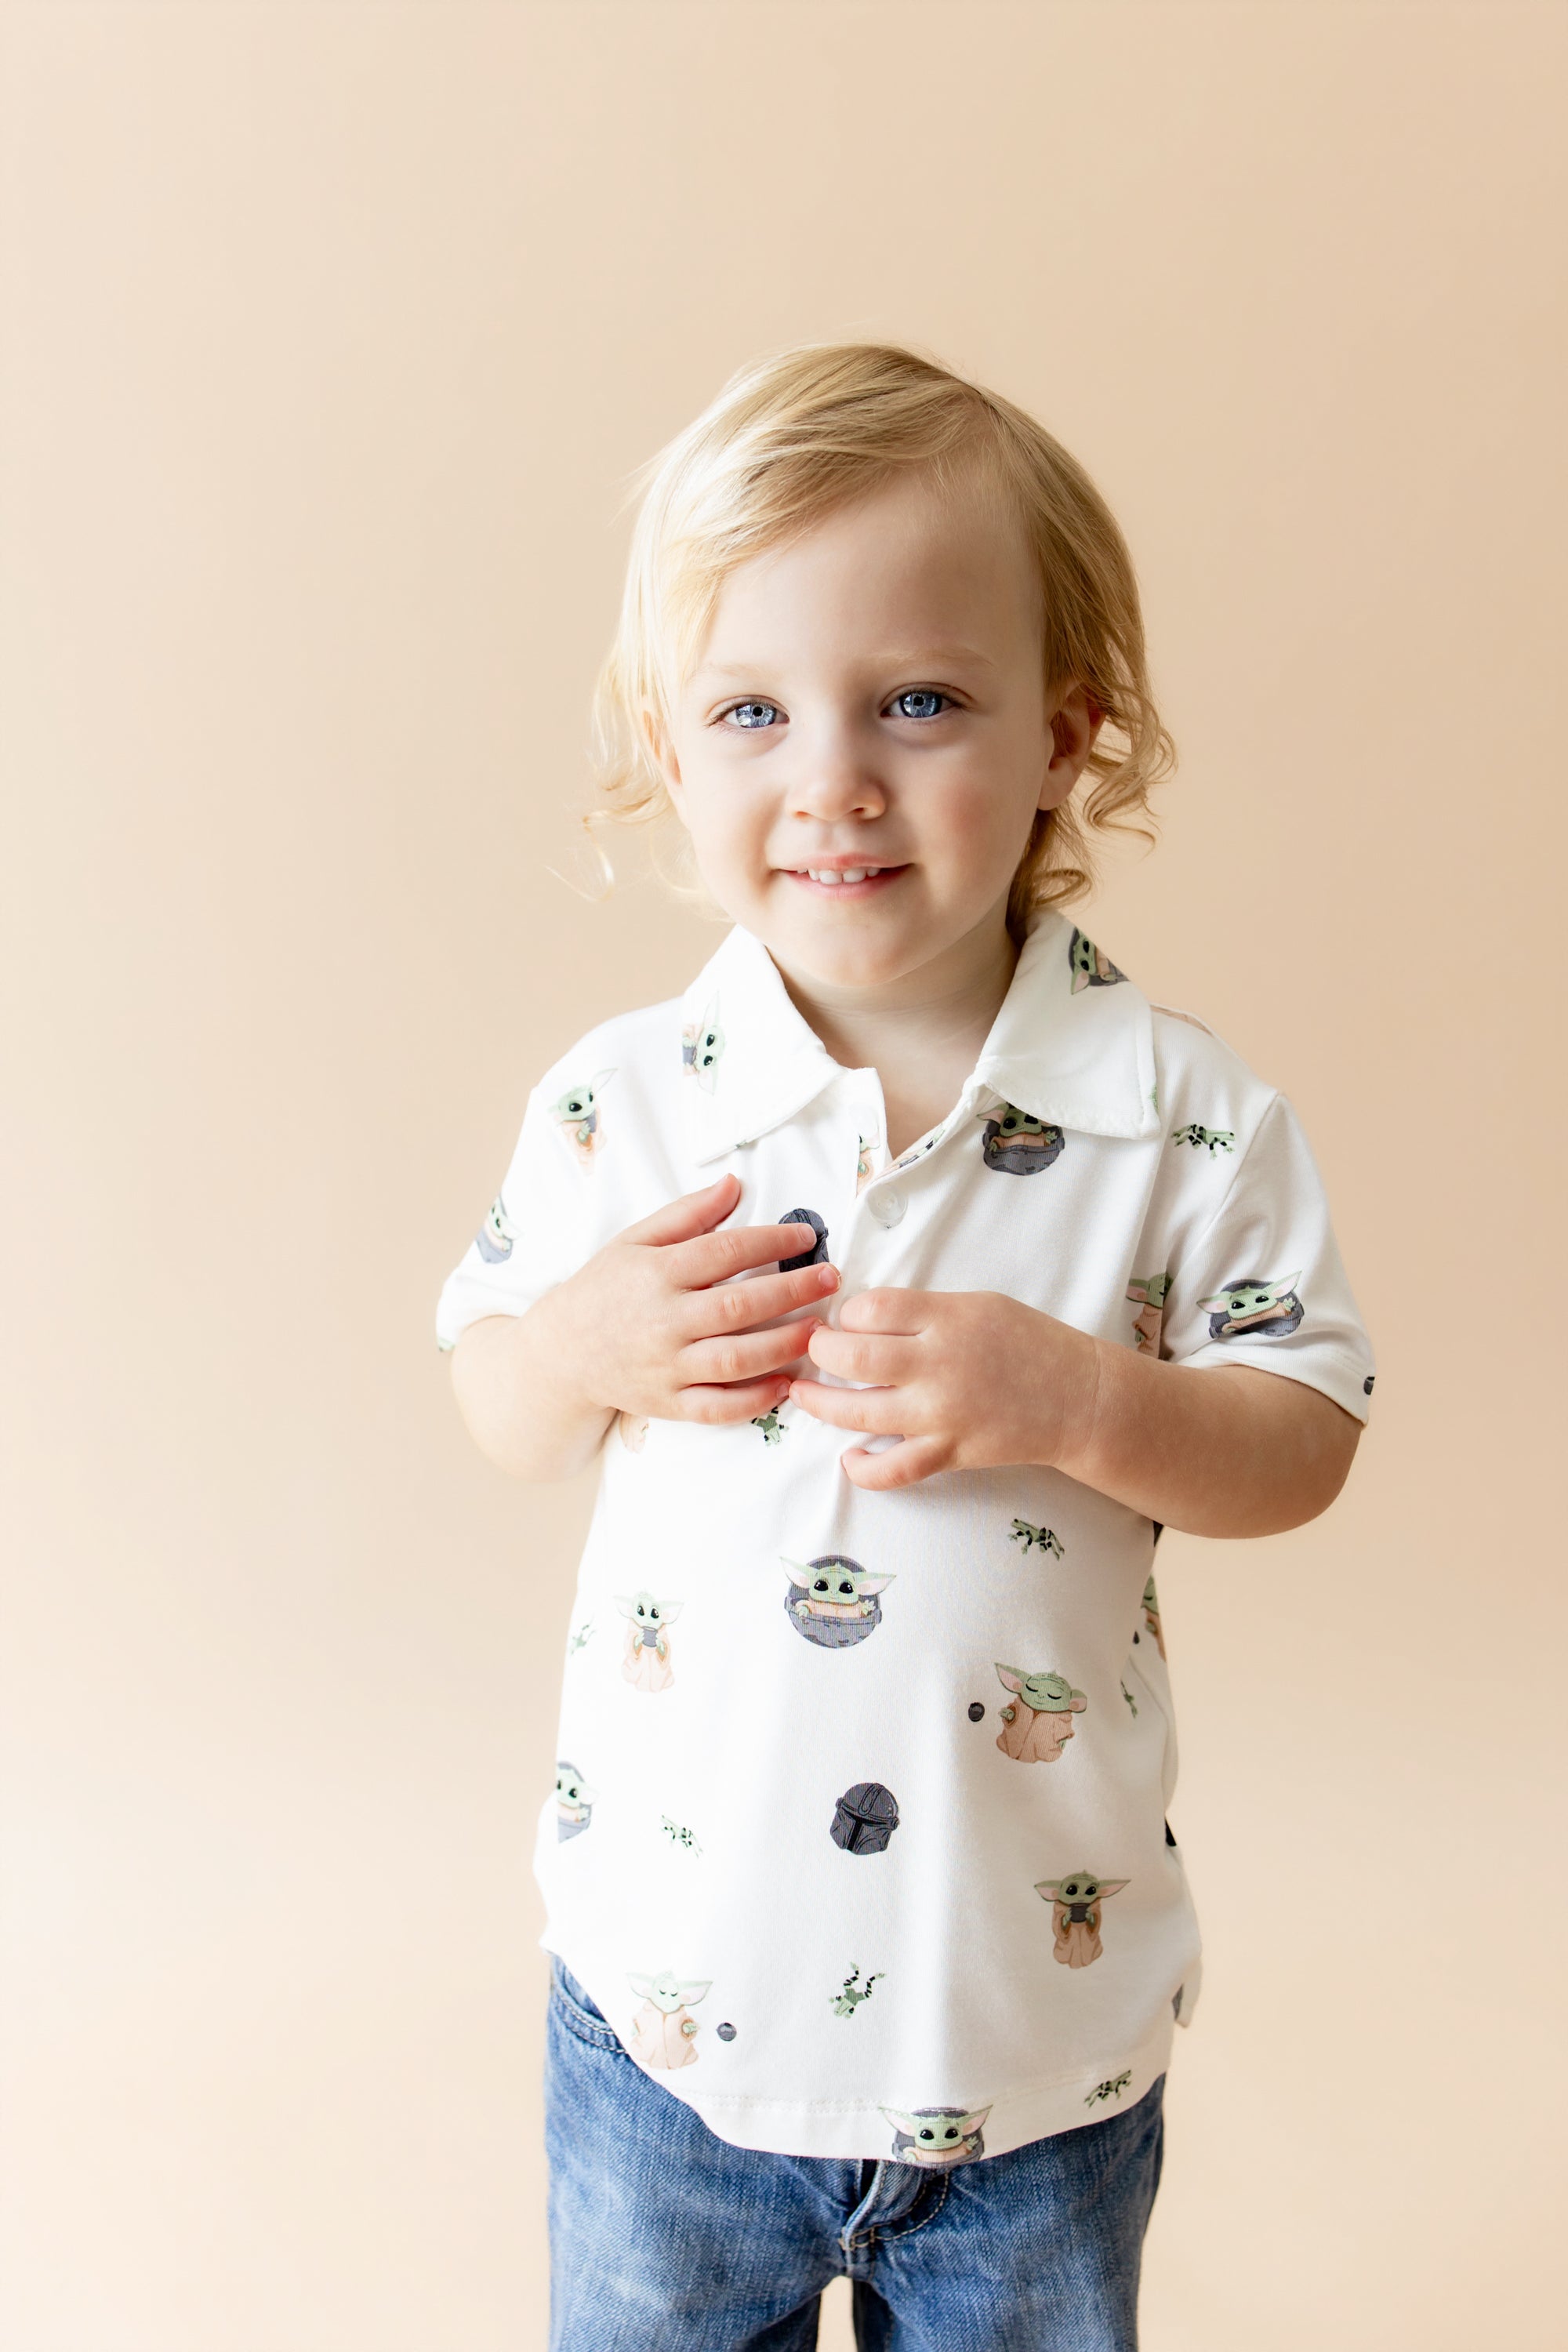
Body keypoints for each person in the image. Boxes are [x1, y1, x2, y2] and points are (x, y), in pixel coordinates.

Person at [435, 343, 1374, 2350]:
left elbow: (1303, 1435)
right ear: (670, 755)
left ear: (1066, 733)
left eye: (921, 702)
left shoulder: (1178, 1115)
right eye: (752, 711)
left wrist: (1087, 1399)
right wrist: (585, 1340)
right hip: (671, 2029)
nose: (833, 779)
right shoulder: (630, 1107)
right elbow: (495, 1398)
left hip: (1029, 2041)